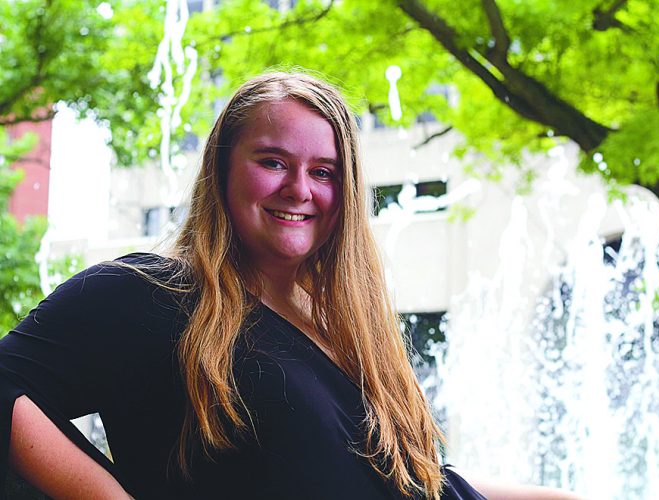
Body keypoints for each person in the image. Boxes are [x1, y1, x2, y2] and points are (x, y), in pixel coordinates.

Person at [0, 72, 583, 499]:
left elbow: (416, 485)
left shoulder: (350, 331)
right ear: (222, 168)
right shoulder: (150, 296)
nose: (300, 189)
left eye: (323, 172)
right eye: (273, 162)